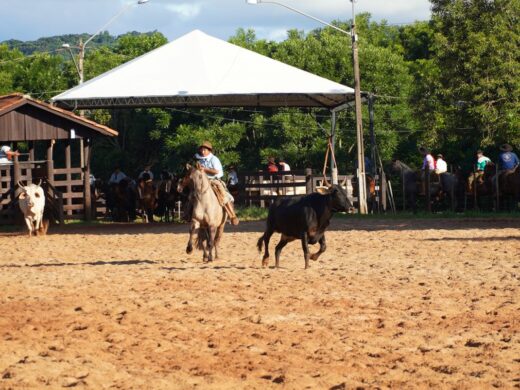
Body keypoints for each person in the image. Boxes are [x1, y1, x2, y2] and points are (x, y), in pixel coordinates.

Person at [193, 141, 239, 225]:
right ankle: (190, 214)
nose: (202, 152)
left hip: (214, 180)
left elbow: (216, 171)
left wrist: (205, 169)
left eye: (204, 150)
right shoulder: (201, 160)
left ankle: (232, 215)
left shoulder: (214, 159)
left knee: (223, 195)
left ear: (209, 150)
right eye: (202, 150)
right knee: (193, 193)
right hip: (203, 181)